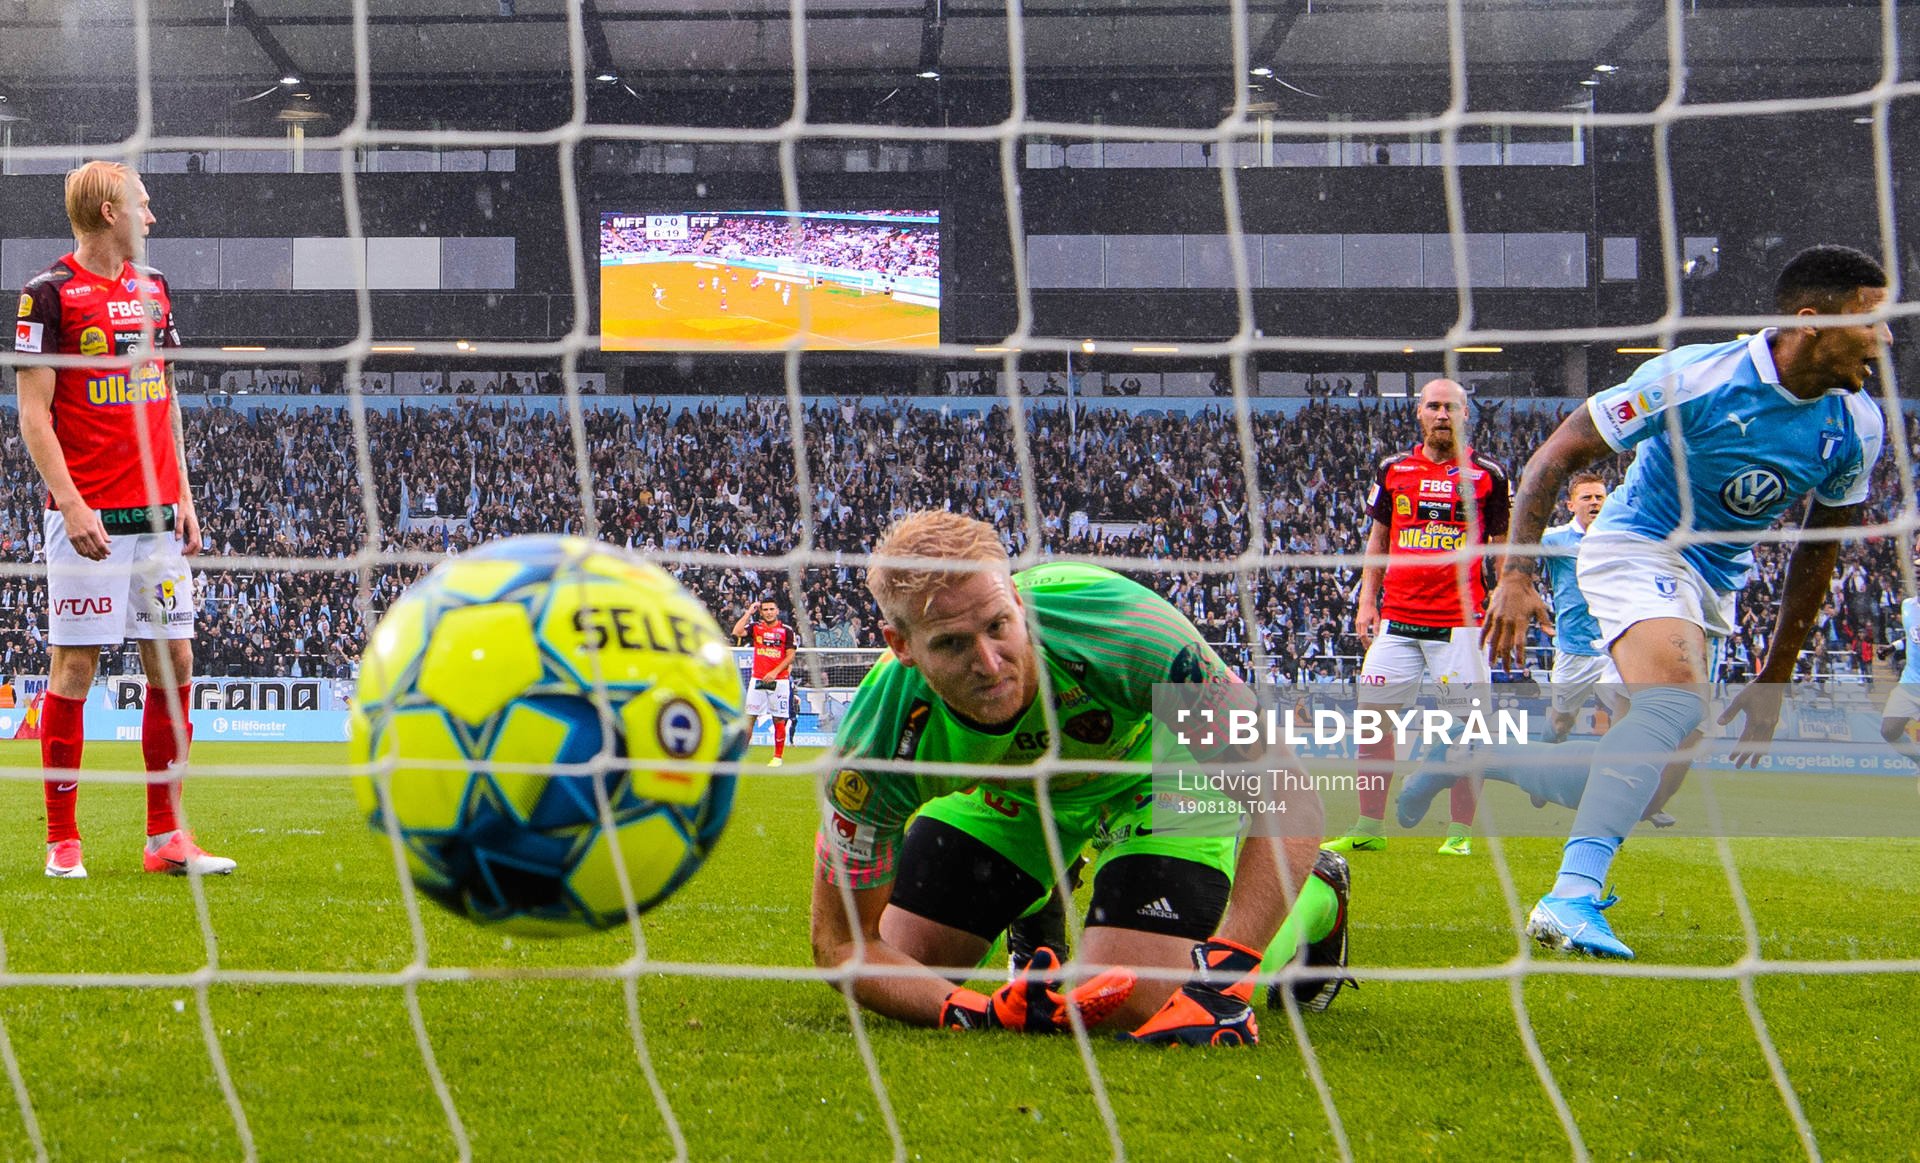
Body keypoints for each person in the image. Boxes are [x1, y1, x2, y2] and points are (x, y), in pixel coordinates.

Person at [808, 511, 1350, 1047]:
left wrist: (1224, 979)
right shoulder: (876, 739)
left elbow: (1287, 794)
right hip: (1015, 797)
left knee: (1124, 1000)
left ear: (1017, 601)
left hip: (1160, 775)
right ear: (900, 645)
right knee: (915, 967)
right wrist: (981, 1014)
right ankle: (1037, 893)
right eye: (951, 644)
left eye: (998, 626)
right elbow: (842, 946)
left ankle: (1318, 897)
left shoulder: (1122, 626)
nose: (991, 664)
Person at [1484, 244, 1890, 959]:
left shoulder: (1857, 424)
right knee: (1670, 701)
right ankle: (1570, 896)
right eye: (1872, 320)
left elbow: (1818, 547)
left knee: (1654, 784)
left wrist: (1776, 674)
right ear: (1811, 321)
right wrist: (1515, 573)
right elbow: (1555, 455)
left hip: (1715, 577)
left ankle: (1486, 762)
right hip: (1637, 541)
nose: (1886, 337)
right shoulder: (1695, 377)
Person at [12, 160, 235, 880]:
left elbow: (161, 397)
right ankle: (61, 840)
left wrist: (188, 495)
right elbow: (33, 416)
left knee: (175, 662)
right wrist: (71, 503)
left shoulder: (155, 289)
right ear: (110, 212)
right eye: (144, 203)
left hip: (159, 517)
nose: (154, 216)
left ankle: (167, 836)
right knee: (75, 665)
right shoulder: (47, 296)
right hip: (90, 519)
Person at [1323, 379, 1509, 856]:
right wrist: (1367, 602)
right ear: (1419, 414)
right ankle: (1369, 826)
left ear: (1466, 415)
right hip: (1398, 621)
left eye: (1451, 407)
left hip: (1460, 625)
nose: (1442, 414)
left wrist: (1506, 597)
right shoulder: (1394, 469)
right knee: (1371, 722)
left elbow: (1504, 549)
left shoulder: (1489, 476)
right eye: (1433, 406)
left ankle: (1460, 833)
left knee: (1469, 727)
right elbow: (1378, 541)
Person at [1540, 471, 1627, 743]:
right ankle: (1540, 770)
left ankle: (1615, 775)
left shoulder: (1623, 537)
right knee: (1561, 721)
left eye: (1599, 497)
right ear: (1570, 504)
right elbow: (1514, 554)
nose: (1594, 503)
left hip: (1617, 646)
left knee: (1626, 717)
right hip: (1574, 648)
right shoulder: (1554, 540)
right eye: (1586, 497)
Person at [732, 598, 795, 766]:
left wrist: (775, 672)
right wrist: (749, 612)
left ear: (777, 611)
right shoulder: (755, 628)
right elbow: (737, 632)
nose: (768, 612)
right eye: (765, 609)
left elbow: (790, 655)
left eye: (771, 609)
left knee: (779, 719)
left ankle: (777, 757)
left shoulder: (786, 630)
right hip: (758, 679)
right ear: (761, 612)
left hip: (779, 681)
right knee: (750, 718)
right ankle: (740, 757)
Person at [1878, 573, 1920, 773]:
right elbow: (1912, 635)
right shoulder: (1908, 606)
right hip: (1911, 682)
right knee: (1889, 730)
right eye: (1917, 577)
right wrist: (1893, 647)